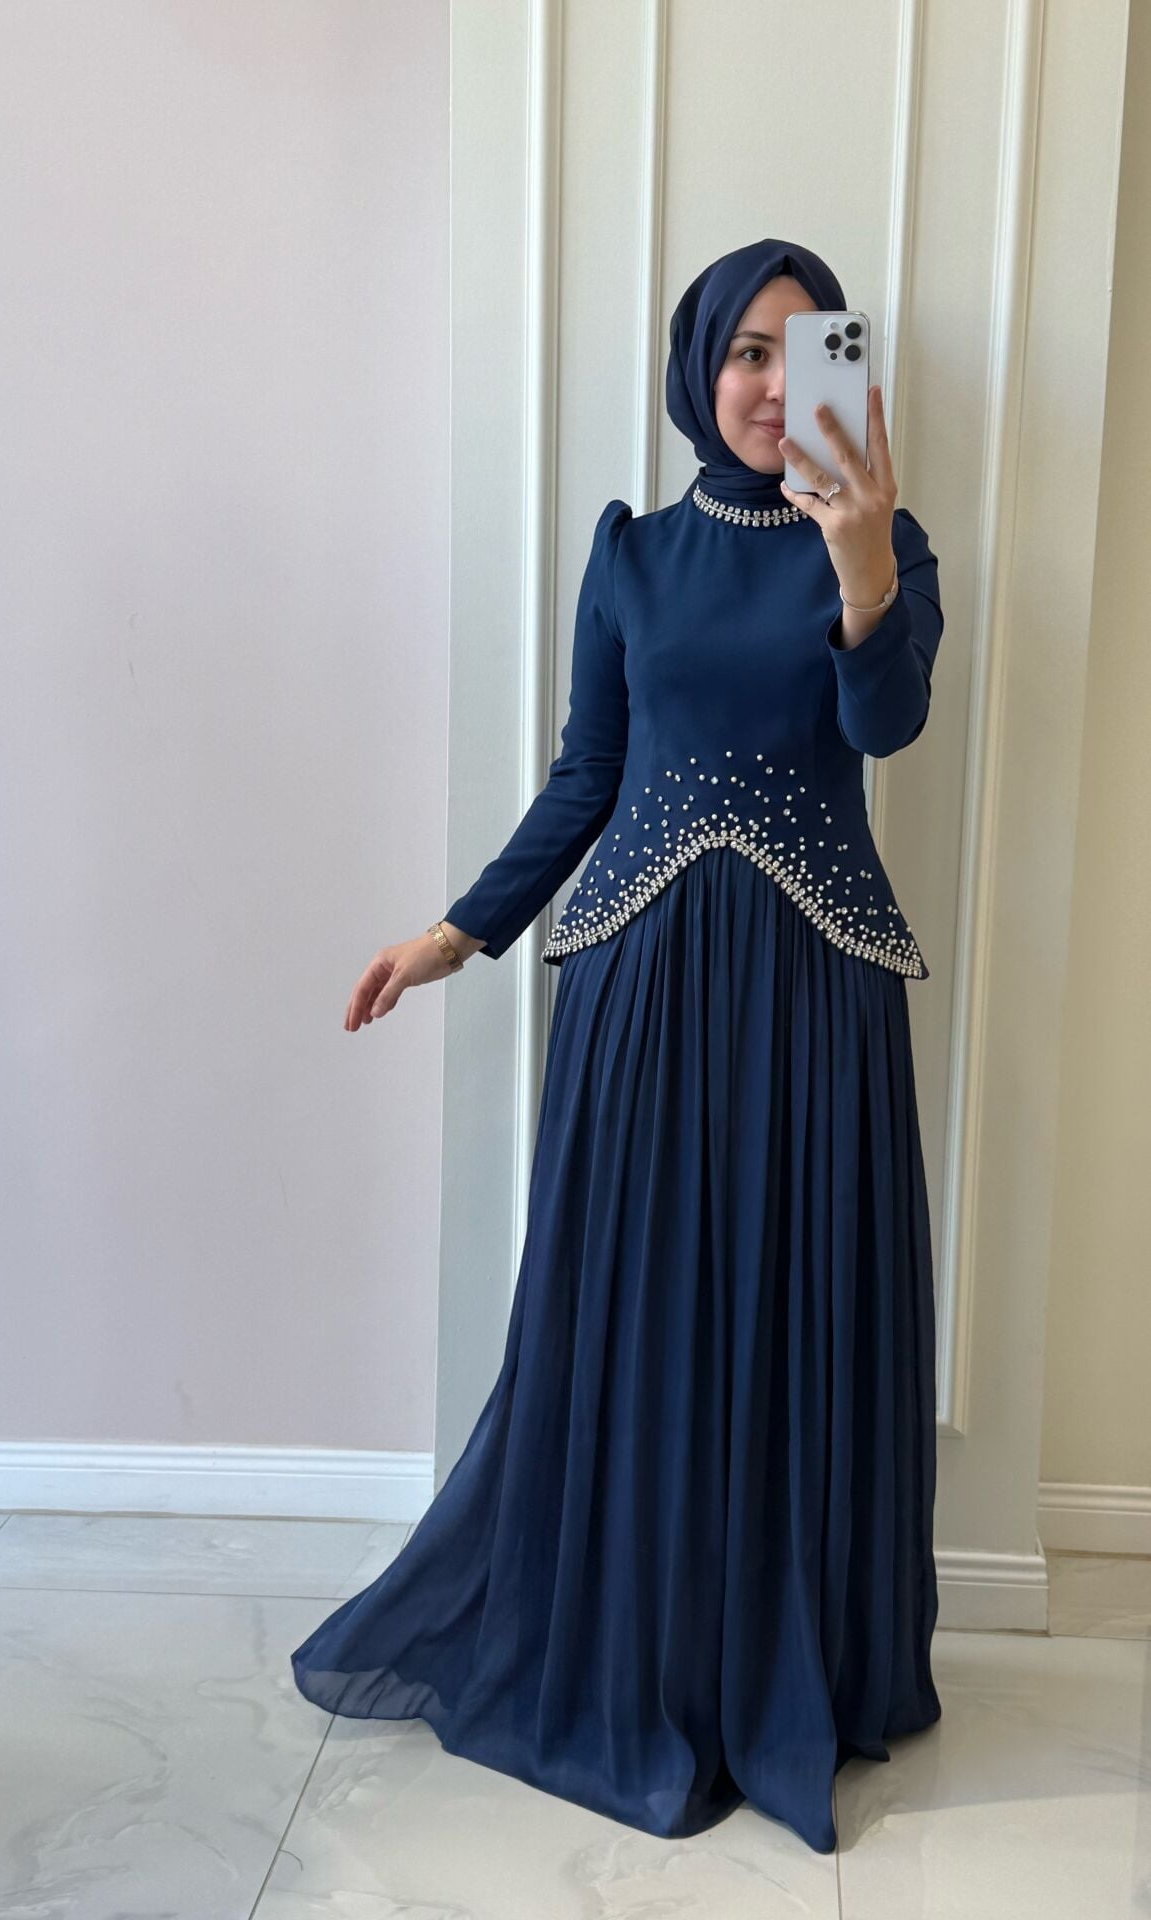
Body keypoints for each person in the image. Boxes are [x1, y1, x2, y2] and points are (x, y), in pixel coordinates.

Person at [290, 237, 944, 1855]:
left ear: (846, 372)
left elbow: (885, 728)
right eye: (745, 352)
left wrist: (862, 570)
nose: (774, 386)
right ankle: (640, 1642)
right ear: (697, 370)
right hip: (639, 991)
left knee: (793, 1309)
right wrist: (453, 935)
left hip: (813, 990)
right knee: (639, 1310)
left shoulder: (888, 540)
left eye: (806, 351)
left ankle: (791, 1658)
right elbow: (587, 777)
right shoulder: (631, 554)